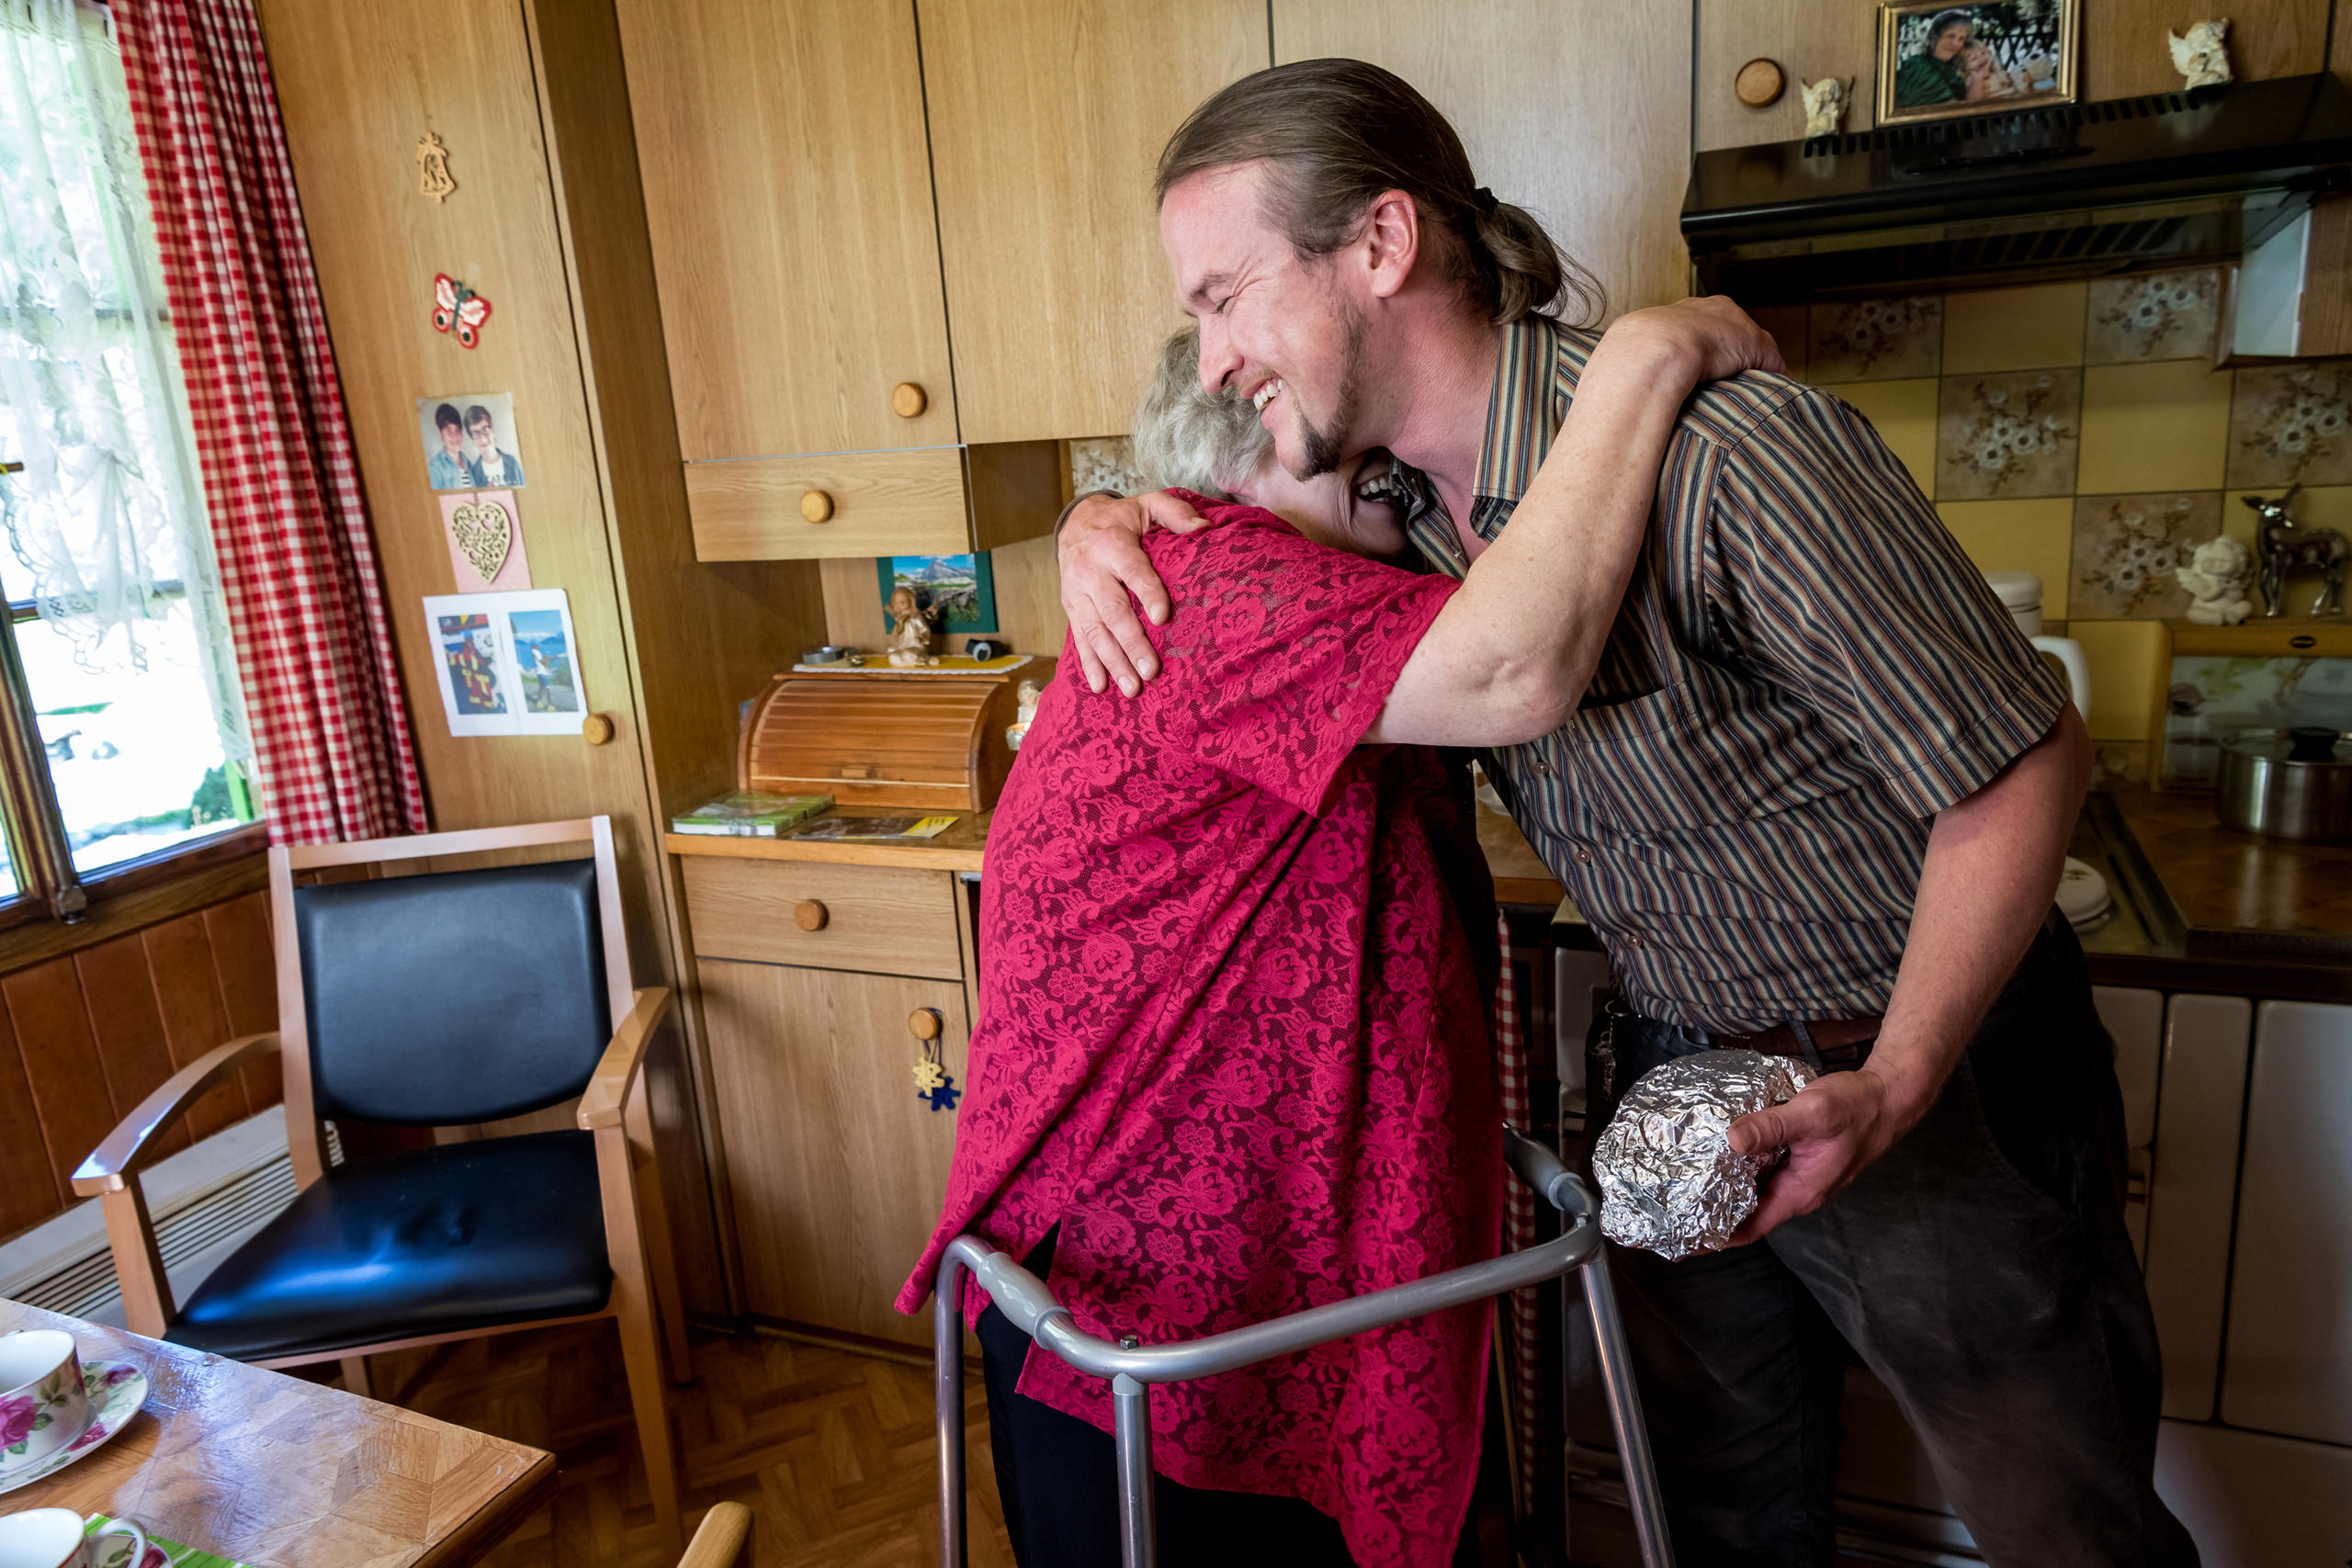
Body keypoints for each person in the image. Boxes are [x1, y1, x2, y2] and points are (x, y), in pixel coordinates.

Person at [1057, 58, 2198, 1568]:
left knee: (2065, 1528)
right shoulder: (1395, 511)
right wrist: (1107, 515)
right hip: (1675, 1064)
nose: (1212, 359)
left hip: (1923, 1071)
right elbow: (1258, 567)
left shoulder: (1733, 453)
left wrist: (1901, 1078)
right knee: (1713, 1516)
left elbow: (2023, 765)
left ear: (1382, 245)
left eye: (1223, 297)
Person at [900, 299, 1779, 1568]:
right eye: (1378, 469)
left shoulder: (1243, 576)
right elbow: (1517, 665)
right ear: (1255, 427)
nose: (1412, 491)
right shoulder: (1227, 584)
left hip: (1192, 1279)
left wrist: (1095, 513)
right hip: (1149, 1302)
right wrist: (1650, 353)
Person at [1895, 8, 1996, 107]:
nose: (1956, 44)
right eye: (1950, 36)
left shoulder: (1951, 65)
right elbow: (1953, 113)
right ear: (1934, 36)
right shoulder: (1919, 67)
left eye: (1961, 38)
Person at [463, 402, 526, 488]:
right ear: (472, 439)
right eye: (476, 433)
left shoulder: (513, 464)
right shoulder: (473, 474)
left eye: (485, 429)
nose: (483, 438)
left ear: (492, 430)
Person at [426, 402, 472, 490]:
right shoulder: (435, 467)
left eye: (457, 430)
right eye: (449, 431)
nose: (454, 436)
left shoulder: (469, 465)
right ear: (440, 432)